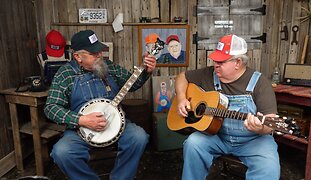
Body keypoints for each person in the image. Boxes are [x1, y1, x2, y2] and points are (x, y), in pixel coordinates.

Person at [44, 29, 157, 180]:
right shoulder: (65, 74)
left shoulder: (108, 66)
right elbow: (51, 108)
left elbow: (132, 84)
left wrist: (146, 71)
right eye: (93, 53)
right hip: (80, 129)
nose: (99, 55)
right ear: (78, 56)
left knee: (139, 137)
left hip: (116, 124)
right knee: (61, 152)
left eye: (99, 51)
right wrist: (81, 120)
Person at [174, 34, 280, 180]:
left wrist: (261, 128)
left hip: (253, 141)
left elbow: (270, 122)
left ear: (238, 62)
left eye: (221, 61)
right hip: (217, 136)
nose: (215, 64)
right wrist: (181, 98)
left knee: (269, 166)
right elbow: (182, 77)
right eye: (215, 60)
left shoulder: (260, 83)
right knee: (193, 144)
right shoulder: (208, 74)